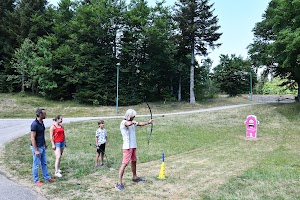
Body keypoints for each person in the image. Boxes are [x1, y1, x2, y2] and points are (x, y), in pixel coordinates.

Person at [115, 109, 153, 191]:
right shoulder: (123, 122)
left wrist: (148, 122)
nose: (134, 117)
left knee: (134, 161)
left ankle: (135, 177)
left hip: (133, 146)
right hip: (127, 147)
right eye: (133, 116)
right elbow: (127, 124)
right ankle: (119, 183)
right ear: (129, 116)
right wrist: (133, 122)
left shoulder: (132, 122)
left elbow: (140, 124)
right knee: (124, 164)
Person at [30, 108, 55, 186]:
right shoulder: (34, 124)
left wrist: (44, 144)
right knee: (36, 164)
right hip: (37, 147)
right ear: (40, 114)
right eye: (44, 113)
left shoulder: (42, 123)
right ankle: (36, 180)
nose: (45, 115)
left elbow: (41, 135)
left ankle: (47, 177)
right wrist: (36, 150)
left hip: (42, 146)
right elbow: (32, 138)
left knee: (44, 163)